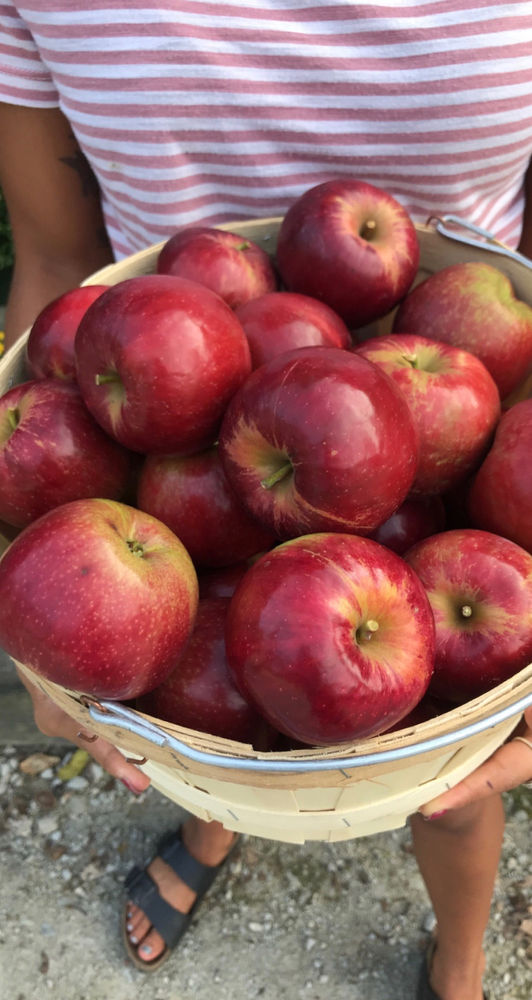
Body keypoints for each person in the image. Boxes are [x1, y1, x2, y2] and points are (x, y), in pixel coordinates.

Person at [1, 3, 532, 997]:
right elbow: (51, 266)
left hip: (460, 449)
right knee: (225, 699)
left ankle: (460, 961)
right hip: (161, 410)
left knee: (450, 788)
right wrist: (39, 620)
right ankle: (215, 813)